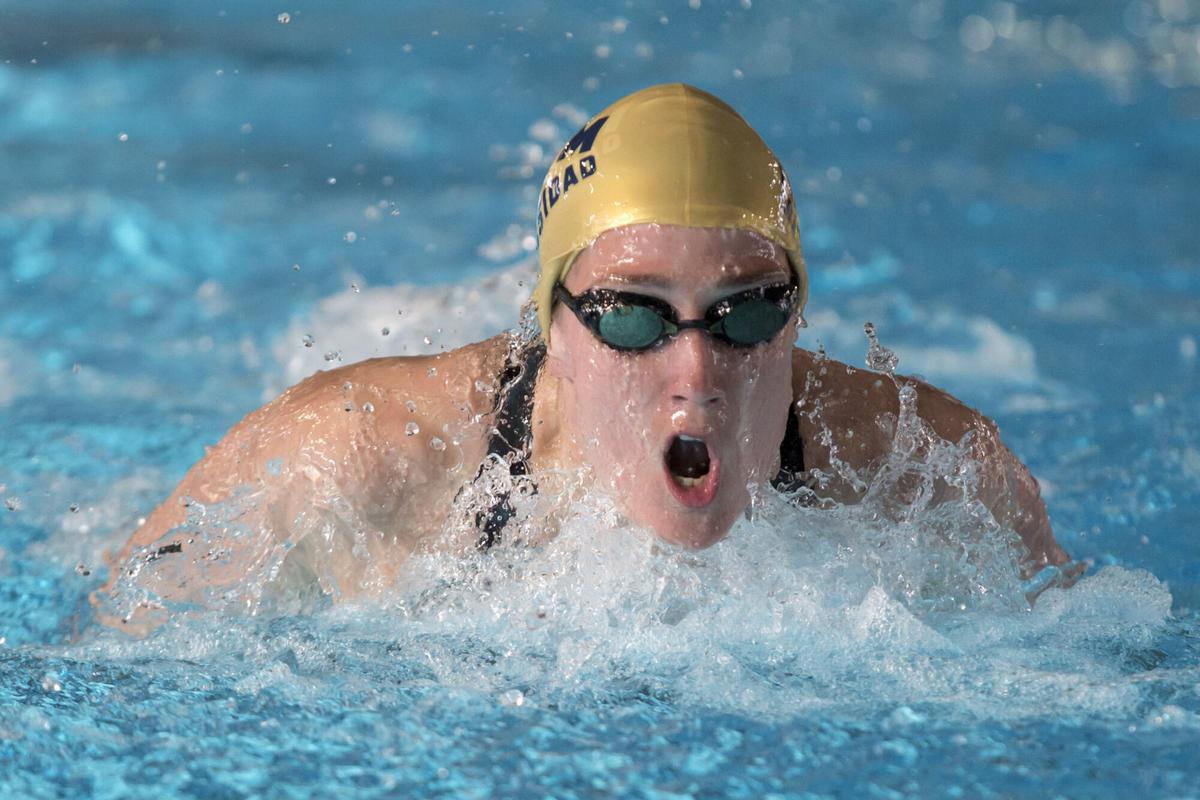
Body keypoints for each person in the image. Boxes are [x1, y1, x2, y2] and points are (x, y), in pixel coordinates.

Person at [98, 84, 1076, 627]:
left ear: (798, 317)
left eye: (742, 314)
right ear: (555, 323)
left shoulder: (933, 471)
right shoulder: (354, 459)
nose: (695, 373)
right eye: (633, 317)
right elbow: (111, 639)